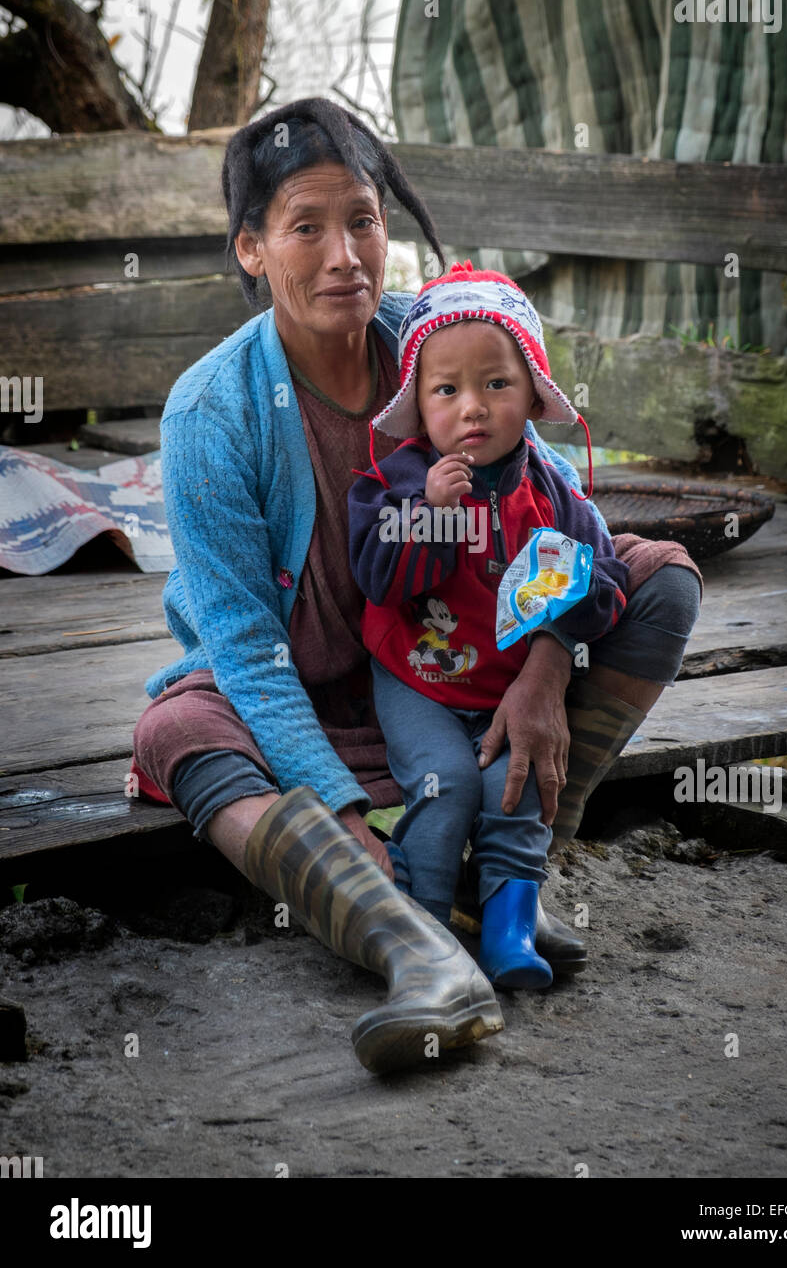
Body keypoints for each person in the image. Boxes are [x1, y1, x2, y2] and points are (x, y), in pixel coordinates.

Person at [129, 96, 703, 1074]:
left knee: (659, 580)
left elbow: (577, 529)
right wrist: (342, 819)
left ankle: (507, 874)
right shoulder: (211, 412)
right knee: (175, 728)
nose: (344, 253)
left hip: (458, 679)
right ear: (250, 250)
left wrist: (547, 666)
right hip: (296, 699)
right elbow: (248, 657)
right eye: (305, 227)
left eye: (361, 219)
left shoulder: (443, 345)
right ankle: (418, 950)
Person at [348, 261, 631, 989]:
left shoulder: (553, 491)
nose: (472, 407)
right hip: (421, 678)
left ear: (533, 395)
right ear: (418, 404)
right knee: (445, 787)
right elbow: (376, 579)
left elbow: (606, 583)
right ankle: (425, 935)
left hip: (506, 687)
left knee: (516, 785)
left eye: (495, 384)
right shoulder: (400, 481)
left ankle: (509, 930)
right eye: (447, 390)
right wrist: (434, 516)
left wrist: (566, 606)